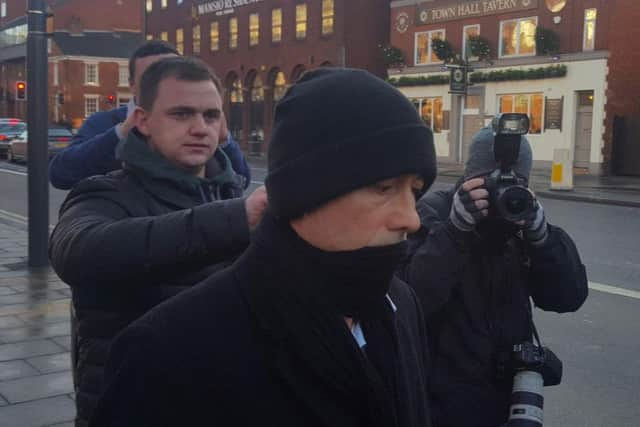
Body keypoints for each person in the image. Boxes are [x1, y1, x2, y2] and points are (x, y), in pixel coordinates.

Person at [89, 68, 437, 427]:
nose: (410, 219)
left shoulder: (401, 305)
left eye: (415, 189)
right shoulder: (167, 351)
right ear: (305, 194)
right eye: (383, 188)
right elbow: (85, 248)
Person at [49, 57, 268, 427]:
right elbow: (78, 250)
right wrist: (237, 219)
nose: (200, 128)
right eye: (182, 115)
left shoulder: (226, 192)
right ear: (143, 121)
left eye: (211, 116)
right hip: (137, 404)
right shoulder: (105, 193)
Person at [398, 124, 589, 427]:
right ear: (471, 175)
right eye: (491, 181)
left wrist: (544, 240)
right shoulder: (434, 213)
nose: (504, 191)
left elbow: (568, 297)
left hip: (508, 400)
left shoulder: (521, 218)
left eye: (517, 182)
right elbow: (410, 302)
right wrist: (455, 233)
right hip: (440, 402)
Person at [48, 40, 250, 190]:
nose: (198, 127)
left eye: (175, 72)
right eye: (154, 75)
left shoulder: (203, 125)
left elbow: (240, 182)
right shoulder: (104, 123)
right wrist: (121, 133)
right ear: (133, 85)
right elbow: (61, 174)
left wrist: (224, 142)